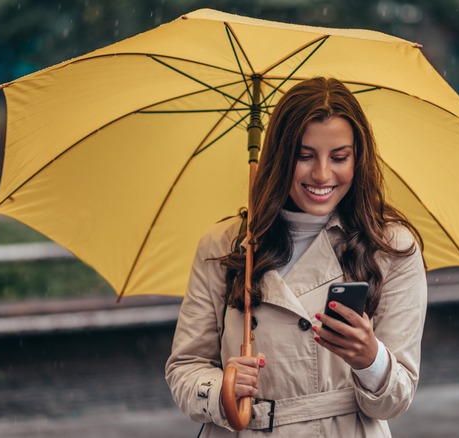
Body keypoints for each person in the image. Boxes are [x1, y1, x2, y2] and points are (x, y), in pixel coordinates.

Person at [166, 77, 428, 436]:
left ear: (358, 159)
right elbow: (186, 366)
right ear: (279, 156)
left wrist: (371, 359)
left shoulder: (391, 248)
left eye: (339, 157)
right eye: (304, 156)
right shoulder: (225, 244)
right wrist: (223, 390)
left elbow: (395, 400)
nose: (321, 174)